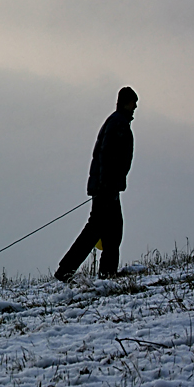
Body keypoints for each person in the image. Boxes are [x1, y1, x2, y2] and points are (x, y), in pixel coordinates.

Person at [55, 86, 138, 282]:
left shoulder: (117, 122)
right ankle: (67, 271)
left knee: (108, 230)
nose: (135, 106)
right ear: (126, 103)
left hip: (106, 187)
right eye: (133, 102)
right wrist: (106, 186)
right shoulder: (118, 124)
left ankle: (104, 272)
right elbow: (107, 156)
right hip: (106, 189)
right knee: (98, 230)